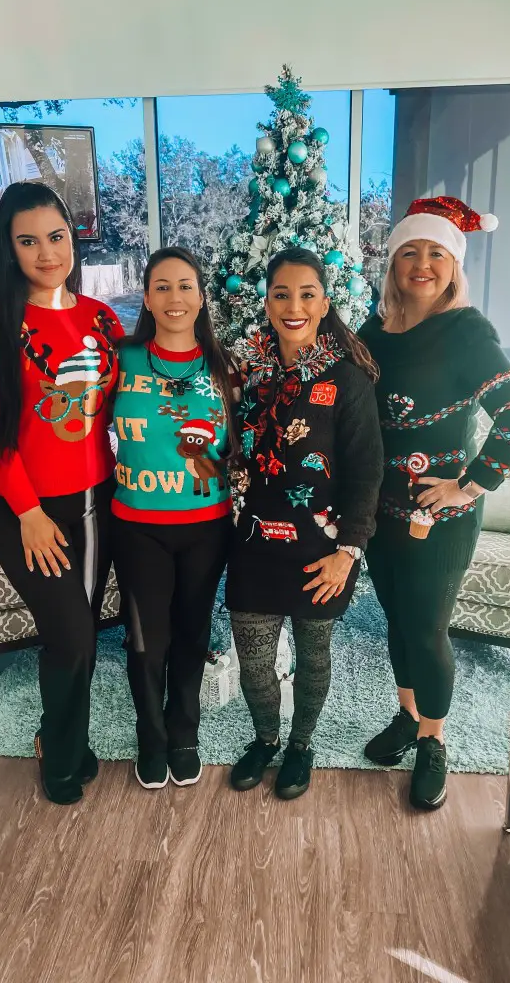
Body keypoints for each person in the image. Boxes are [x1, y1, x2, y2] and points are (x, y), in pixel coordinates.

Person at [358, 196, 510, 811]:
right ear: (393, 263)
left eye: (437, 253)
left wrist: (468, 485)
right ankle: (408, 716)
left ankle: (434, 741)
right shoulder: (372, 333)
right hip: (379, 511)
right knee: (396, 619)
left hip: (441, 516)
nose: (422, 263)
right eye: (410, 251)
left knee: (428, 626)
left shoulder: (467, 332)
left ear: (454, 266)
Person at [0, 181, 124, 806]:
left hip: (98, 500)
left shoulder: (101, 318)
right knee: (70, 635)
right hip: (25, 508)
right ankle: (58, 748)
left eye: (56, 237)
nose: (46, 252)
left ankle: (67, 738)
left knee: (80, 635)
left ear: (72, 238)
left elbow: (122, 407)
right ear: (9, 248)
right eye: (28, 241)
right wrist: (26, 511)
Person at [226, 248, 383, 800]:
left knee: (315, 656)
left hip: (323, 549)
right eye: (281, 294)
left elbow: (367, 471)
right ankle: (266, 738)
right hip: (252, 545)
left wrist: (349, 552)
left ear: (324, 301)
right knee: (253, 666)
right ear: (266, 301)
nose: (294, 306)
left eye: (306, 294)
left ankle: (301, 745)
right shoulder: (243, 371)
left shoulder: (347, 379)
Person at [111, 247, 239, 790]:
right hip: (137, 525)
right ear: (146, 298)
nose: (174, 297)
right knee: (146, 639)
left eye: (185, 285)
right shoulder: (121, 358)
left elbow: (243, 445)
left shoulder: (226, 366)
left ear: (201, 296)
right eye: (161, 286)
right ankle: (152, 734)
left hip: (207, 526)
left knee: (192, 631)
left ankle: (185, 729)